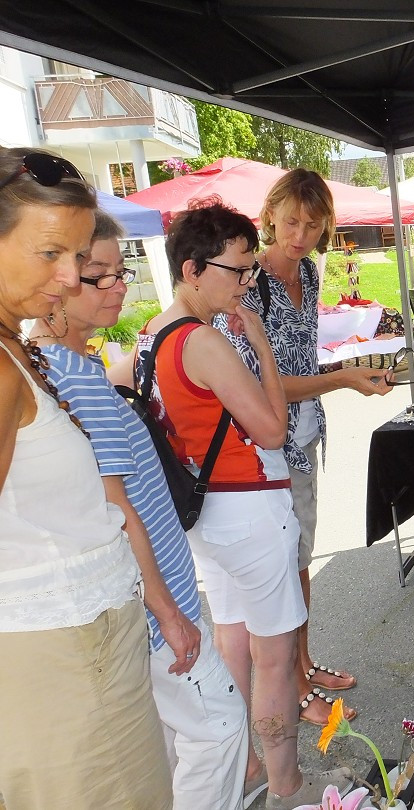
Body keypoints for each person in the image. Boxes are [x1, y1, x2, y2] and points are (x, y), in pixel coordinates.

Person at [118, 199, 353, 809]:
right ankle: (286, 782)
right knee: (275, 655)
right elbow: (273, 429)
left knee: (233, 637)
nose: (248, 282)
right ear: (194, 270)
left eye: (251, 269)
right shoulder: (202, 341)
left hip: (204, 512)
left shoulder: (152, 334)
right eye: (238, 269)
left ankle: (246, 763)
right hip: (248, 504)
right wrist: (261, 346)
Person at [34, 210, 250, 810]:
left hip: (153, 601)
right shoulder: (69, 378)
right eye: (96, 275)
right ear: (57, 280)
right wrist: (167, 612)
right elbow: (115, 507)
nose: (117, 286)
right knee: (220, 727)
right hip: (158, 606)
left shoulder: (75, 369)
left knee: (176, 739)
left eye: (119, 271)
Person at [0, 147, 171, 807]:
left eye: (78, 256)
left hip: (82, 652)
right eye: (50, 254)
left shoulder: (14, 343)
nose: (71, 277)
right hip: (66, 663)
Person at [219, 168, 390, 729]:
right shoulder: (251, 284)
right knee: (284, 566)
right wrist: (342, 379)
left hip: (304, 436)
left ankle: (305, 663)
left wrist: (350, 375)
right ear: (269, 216)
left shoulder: (310, 274)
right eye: (291, 221)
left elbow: (300, 363)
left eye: (313, 225)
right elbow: (260, 387)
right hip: (265, 447)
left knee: (302, 563)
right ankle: (292, 686)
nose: (300, 234)